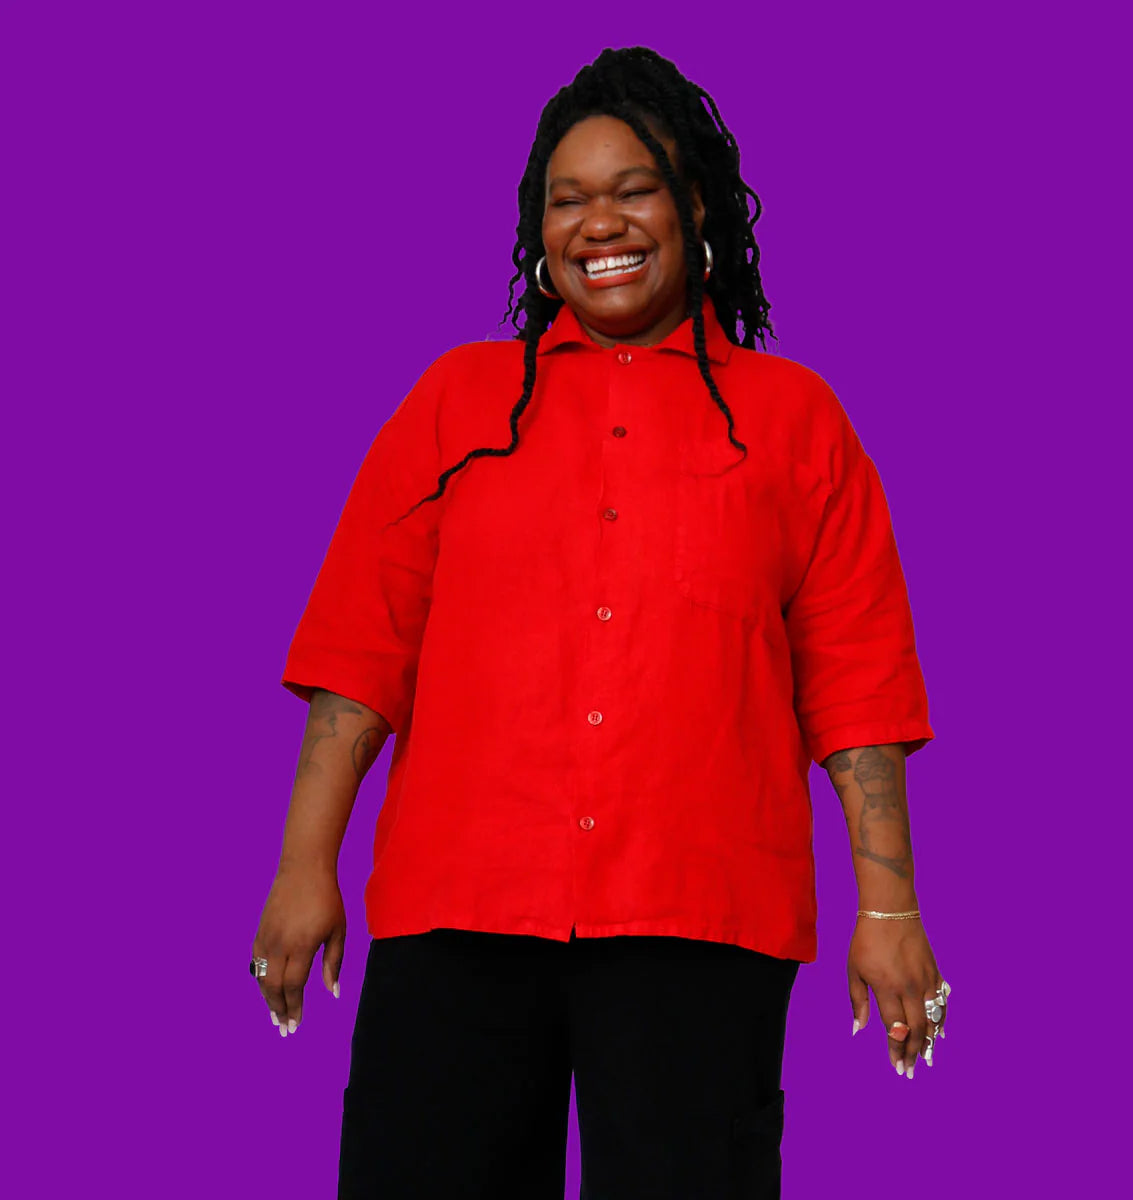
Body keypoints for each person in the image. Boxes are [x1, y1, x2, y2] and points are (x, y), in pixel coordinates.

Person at [251, 45, 951, 1199]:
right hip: (460, 903)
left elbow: (858, 682)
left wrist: (890, 907)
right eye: (567, 199)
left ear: (696, 208)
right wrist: (302, 866)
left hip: (702, 912)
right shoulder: (455, 403)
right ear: (539, 231)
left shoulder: (796, 421)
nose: (599, 224)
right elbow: (360, 657)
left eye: (633, 190)